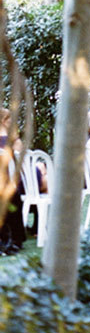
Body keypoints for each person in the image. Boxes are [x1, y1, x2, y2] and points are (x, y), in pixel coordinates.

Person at [0, 108, 25, 254]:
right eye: (10, 119)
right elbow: (22, 154)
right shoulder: (11, 138)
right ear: (4, 121)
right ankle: (35, 228)